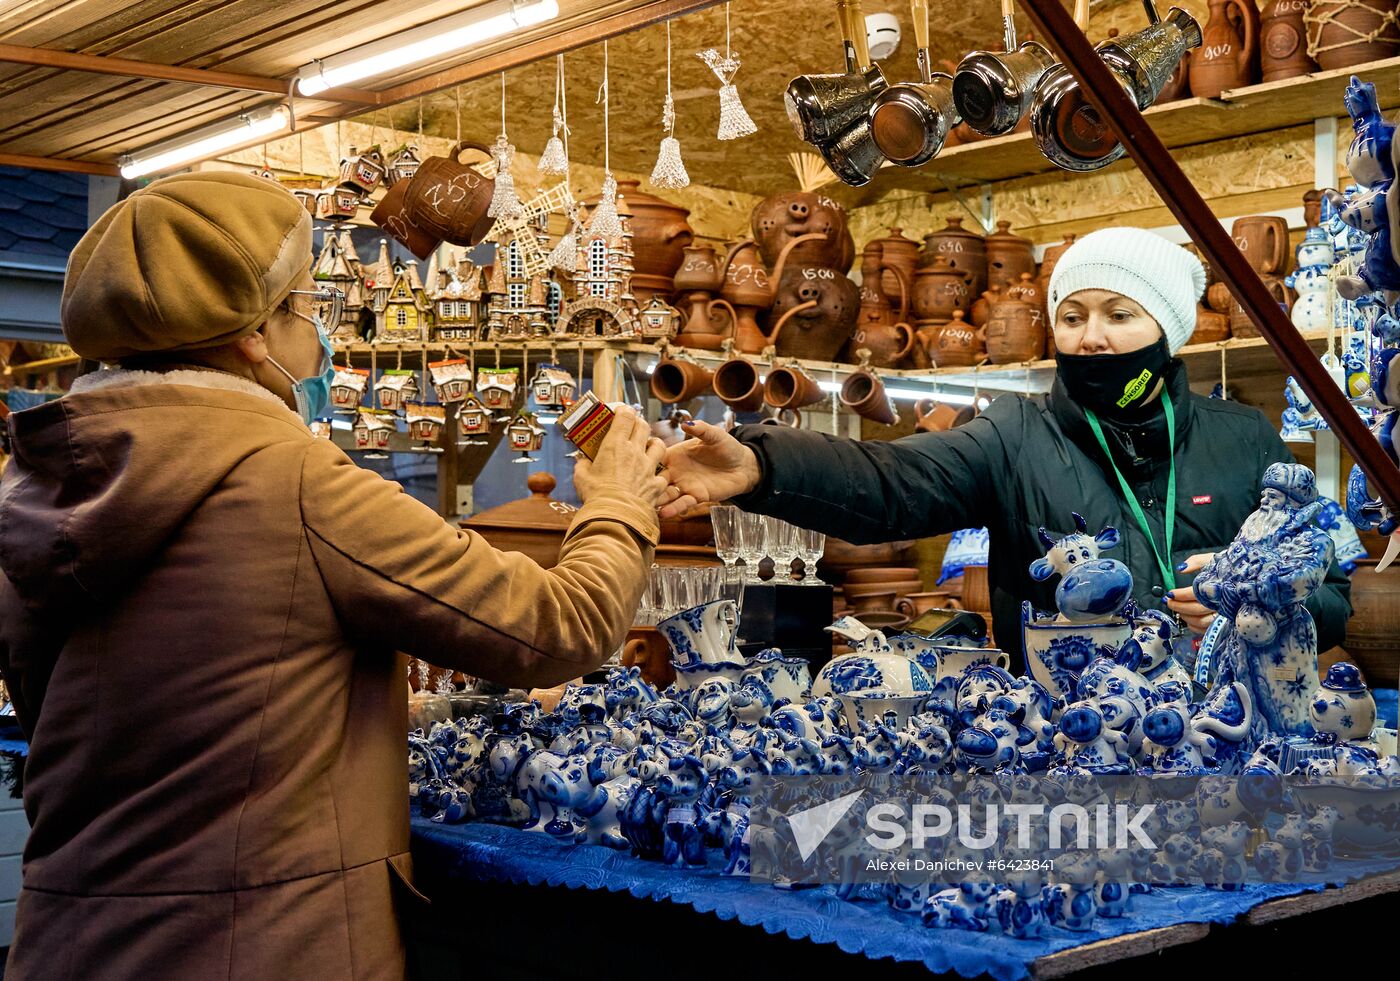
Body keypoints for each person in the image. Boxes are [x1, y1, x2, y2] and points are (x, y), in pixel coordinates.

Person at [0, 172, 665, 981]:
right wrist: (621, 504)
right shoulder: (297, 480)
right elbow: (559, 627)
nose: (320, 340)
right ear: (253, 336)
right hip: (263, 945)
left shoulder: (37, 488)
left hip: (67, 938)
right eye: (311, 308)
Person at [661, 226, 1351, 664]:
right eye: (1073, 317)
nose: (1093, 338)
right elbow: (891, 481)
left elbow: (1333, 590)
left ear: (1168, 329)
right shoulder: (1015, 435)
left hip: (1221, 737)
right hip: (1064, 743)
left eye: (1120, 314)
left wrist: (1262, 600)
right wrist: (761, 462)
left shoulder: (1244, 438)